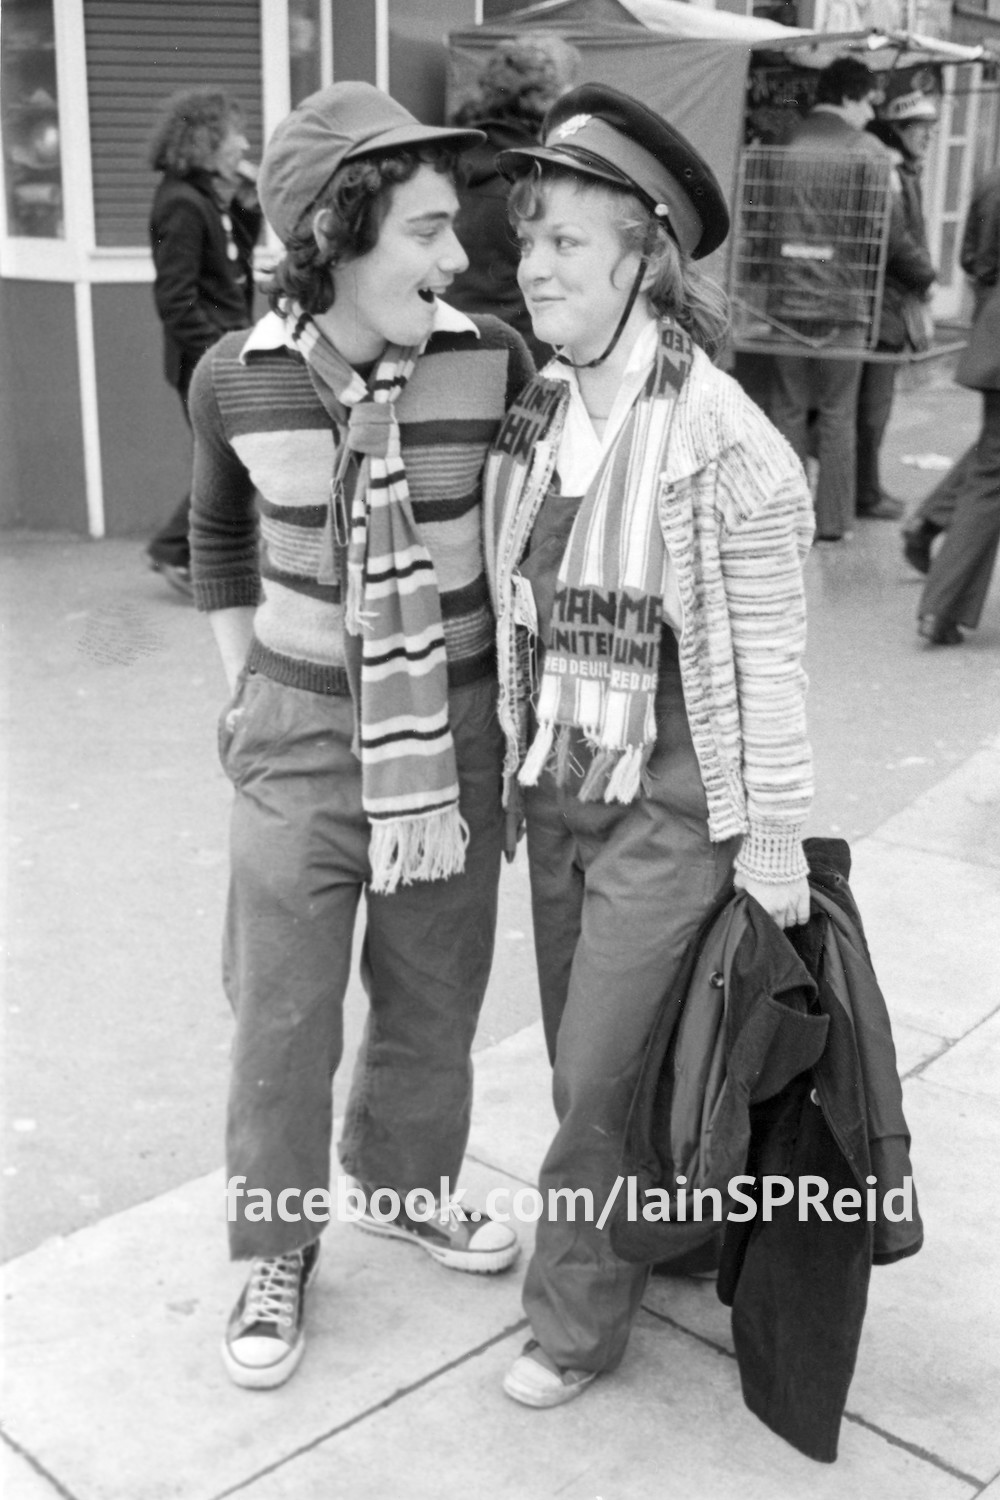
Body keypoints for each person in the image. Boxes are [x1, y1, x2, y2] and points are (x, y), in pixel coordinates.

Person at [188, 81, 534, 1390]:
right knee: (278, 1011)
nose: (458, 258)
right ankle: (279, 1241)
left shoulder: (491, 358)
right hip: (292, 733)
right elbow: (221, 536)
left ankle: (404, 1181)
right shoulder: (237, 379)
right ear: (336, 234)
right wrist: (240, 686)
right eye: (428, 231)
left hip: (449, 740)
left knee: (435, 994)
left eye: (458, 231)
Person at [481, 83, 814, 1408]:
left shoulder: (727, 446)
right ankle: (664, 1234)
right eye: (528, 238)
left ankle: (571, 1325)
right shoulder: (542, 416)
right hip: (560, 793)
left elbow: (775, 667)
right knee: (602, 1056)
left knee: (595, 1077)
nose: (534, 265)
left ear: (646, 254)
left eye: (567, 240)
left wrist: (774, 840)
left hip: (670, 812)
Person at [146, 88, 262, 597]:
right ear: (206, 141)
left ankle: (182, 551)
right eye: (233, 133)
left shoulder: (202, 197)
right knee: (229, 457)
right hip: (205, 359)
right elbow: (175, 300)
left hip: (221, 349)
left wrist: (250, 203)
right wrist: (219, 353)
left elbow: (232, 252)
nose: (244, 143)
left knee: (228, 457)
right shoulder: (180, 204)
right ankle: (175, 550)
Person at [768, 58, 890, 540]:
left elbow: (759, 216)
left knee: (787, 408)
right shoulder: (868, 150)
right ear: (851, 97)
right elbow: (876, 230)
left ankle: (782, 517)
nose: (870, 115)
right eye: (868, 104)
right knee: (840, 412)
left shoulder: (785, 142)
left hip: (782, 300)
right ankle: (834, 522)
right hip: (844, 300)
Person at [447, 33, 579, 364]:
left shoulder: (447, 164)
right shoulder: (540, 182)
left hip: (444, 350)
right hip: (521, 364)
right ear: (550, 104)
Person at [903, 163, 1000, 574]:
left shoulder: (990, 178)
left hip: (991, 318)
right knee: (994, 457)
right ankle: (944, 596)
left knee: (994, 450)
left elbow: (971, 257)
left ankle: (931, 521)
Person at [855, 90, 938, 521]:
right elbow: (897, 240)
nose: (927, 138)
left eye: (929, 131)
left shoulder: (905, 172)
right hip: (881, 307)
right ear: (901, 131)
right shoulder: (891, 172)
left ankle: (865, 488)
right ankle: (864, 493)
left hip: (887, 305)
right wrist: (926, 274)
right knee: (872, 410)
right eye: (920, 130)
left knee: (874, 408)